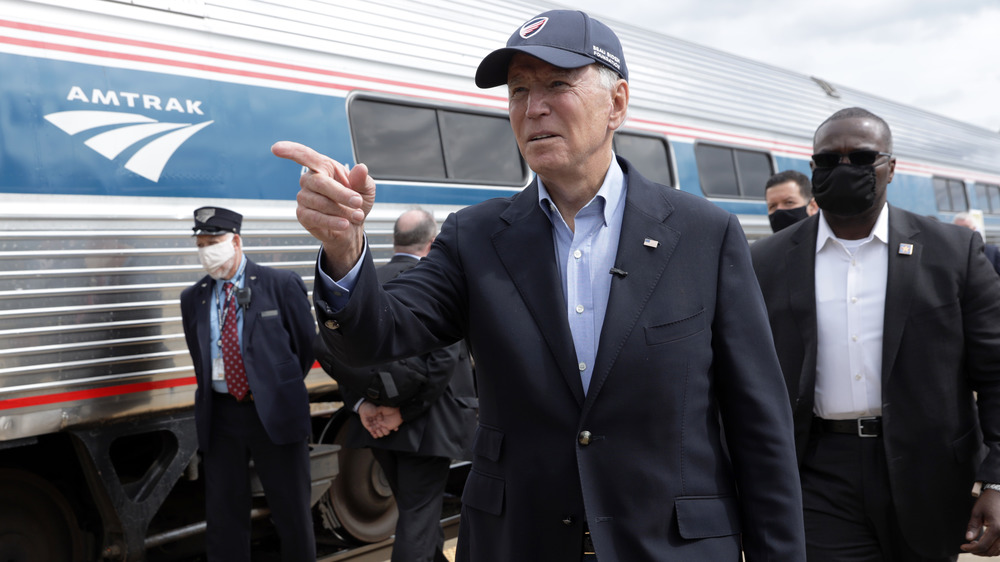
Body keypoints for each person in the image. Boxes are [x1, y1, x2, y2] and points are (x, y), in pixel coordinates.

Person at [273, 9, 805, 561]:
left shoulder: (702, 234)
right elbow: (376, 336)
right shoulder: (476, 237)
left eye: (556, 84)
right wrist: (343, 249)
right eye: (518, 90)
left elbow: (758, 425)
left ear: (616, 103)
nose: (534, 108)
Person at [750, 107, 1000, 561]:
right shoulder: (766, 262)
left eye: (861, 158)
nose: (843, 169)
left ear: (891, 167)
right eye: (828, 160)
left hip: (929, 471)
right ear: (813, 168)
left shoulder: (952, 252)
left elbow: (996, 370)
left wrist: (998, 478)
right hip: (819, 471)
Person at [315, 208, 478, 562]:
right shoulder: (431, 282)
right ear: (432, 243)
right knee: (418, 519)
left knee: (414, 513)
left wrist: (364, 407)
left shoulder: (364, 282)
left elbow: (339, 353)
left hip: (376, 426)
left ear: (395, 241)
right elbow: (444, 362)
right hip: (427, 425)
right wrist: (401, 412)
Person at [179, 206, 317, 561]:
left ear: (236, 241)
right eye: (201, 243)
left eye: (214, 242)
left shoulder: (279, 284)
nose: (207, 250)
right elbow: (200, 357)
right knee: (224, 515)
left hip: (273, 412)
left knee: (291, 511)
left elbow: (304, 347)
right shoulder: (193, 297)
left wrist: (272, 387)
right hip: (222, 417)